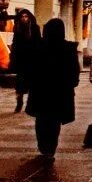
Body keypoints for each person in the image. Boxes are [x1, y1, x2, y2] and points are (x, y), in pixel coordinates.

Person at [24, 19, 80, 158]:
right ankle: (51, 147)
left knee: (41, 118)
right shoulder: (68, 48)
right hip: (60, 91)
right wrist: (72, 83)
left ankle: (42, 145)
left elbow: (30, 68)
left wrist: (29, 83)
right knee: (55, 120)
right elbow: (74, 69)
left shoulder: (38, 46)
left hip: (40, 90)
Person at [10, 9, 42, 113]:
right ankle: (19, 102)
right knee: (19, 83)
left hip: (32, 60)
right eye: (22, 16)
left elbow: (38, 43)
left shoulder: (34, 28)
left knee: (32, 83)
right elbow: (14, 43)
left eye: (26, 16)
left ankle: (30, 103)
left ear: (29, 17)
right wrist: (13, 58)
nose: (24, 18)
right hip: (21, 60)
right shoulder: (17, 28)